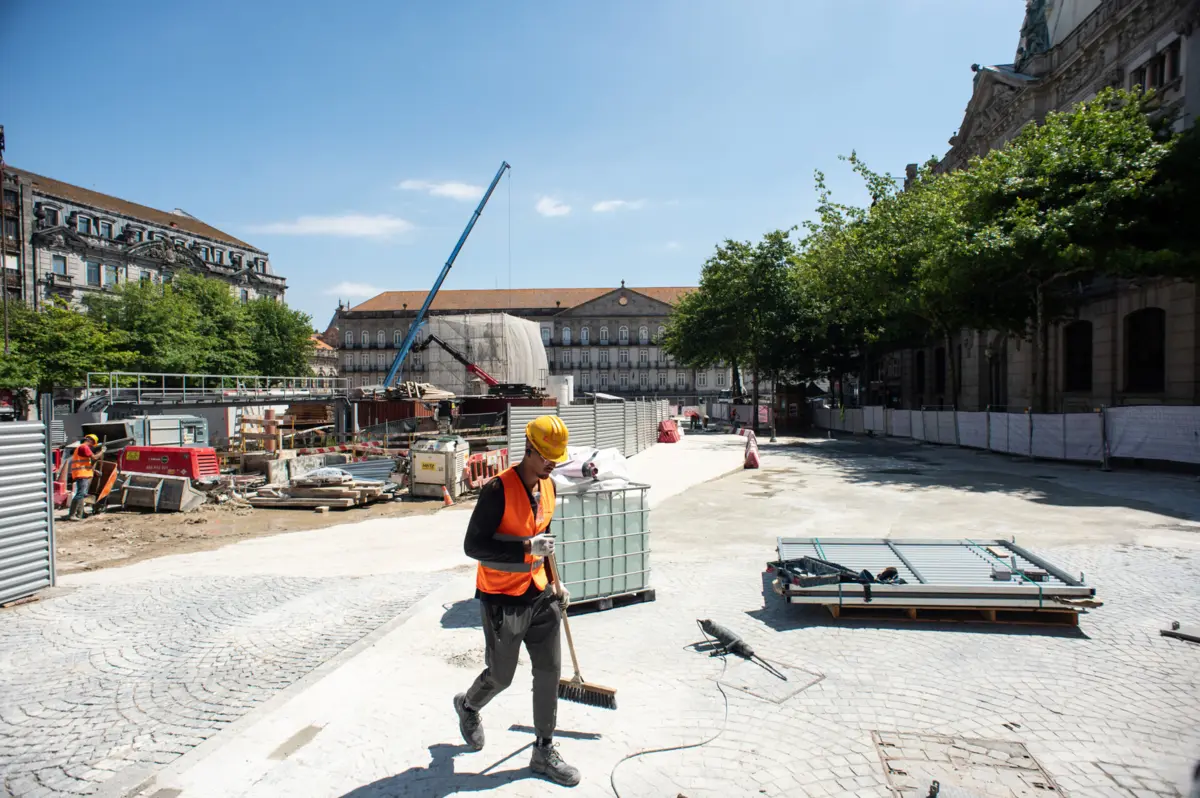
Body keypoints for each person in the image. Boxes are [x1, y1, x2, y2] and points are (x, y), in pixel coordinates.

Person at [454, 415, 580, 786]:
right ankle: (468, 705)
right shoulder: (497, 490)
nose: (551, 463)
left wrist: (557, 582)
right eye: (545, 456)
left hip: (540, 594)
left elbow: (547, 541)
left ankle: (544, 750)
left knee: (548, 672)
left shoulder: (550, 487)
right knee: (501, 676)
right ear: (528, 450)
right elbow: (473, 546)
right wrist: (526, 548)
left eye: (555, 457)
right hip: (502, 599)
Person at [68, 434, 104, 521]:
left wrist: (93, 471)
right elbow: (95, 457)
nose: (92, 446)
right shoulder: (84, 447)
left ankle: (80, 514)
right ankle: (72, 515)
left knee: (82, 494)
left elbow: (84, 463)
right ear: (90, 441)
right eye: (93, 443)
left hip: (82, 473)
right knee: (80, 494)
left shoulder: (82, 448)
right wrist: (102, 451)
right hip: (81, 474)